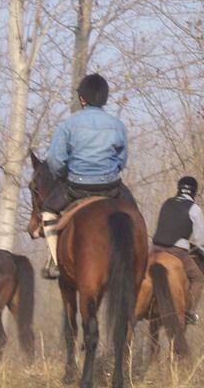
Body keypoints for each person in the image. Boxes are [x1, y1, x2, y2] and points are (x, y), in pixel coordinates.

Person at [37, 73, 135, 280]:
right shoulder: (118, 126)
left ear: (82, 99)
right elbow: (122, 160)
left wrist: (62, 175)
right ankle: (135, 259)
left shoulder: (68, 125)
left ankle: (55, 262)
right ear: (105, 98)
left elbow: (55, 160)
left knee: (48, 210)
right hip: (111, 187)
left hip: (76, 187)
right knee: (134, 213)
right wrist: (108, 172)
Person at [152, 176, 204, 325]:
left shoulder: (167, 203)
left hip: (155, 249)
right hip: (177, 251)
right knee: (198, 279)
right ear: (194, 192)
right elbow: (200, 238)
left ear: (179, 189)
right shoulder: (194, 209)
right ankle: (189, 312)